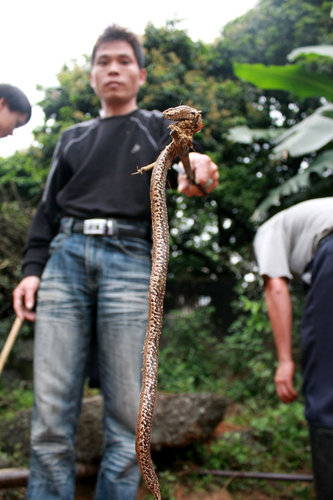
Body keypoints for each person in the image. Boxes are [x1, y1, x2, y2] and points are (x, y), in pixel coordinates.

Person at [12, 24, 219, 500]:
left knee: (130, 419)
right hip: (64, 259)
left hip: (131, 263)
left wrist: (202, 168)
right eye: (103, 61)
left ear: (140, 74)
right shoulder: (71, 137)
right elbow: (46, 213)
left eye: (124, 61)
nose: (113, 69)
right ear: (91, 75)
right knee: (49, 416)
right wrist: (31, 271)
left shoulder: (154, 128)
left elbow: (192, 162)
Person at [253, 197, 333, 500]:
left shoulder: (268, 231)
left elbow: (275, 286)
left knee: (327, 391)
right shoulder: (309, 219)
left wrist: (285, 360)